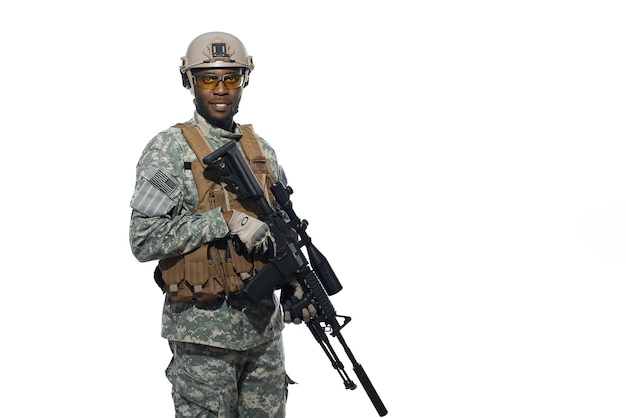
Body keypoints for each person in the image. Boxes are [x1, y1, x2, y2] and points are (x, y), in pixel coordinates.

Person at [129, 31, 314, 418]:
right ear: (189, 82)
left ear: (244, 80)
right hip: (202, 341)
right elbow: (143, 240)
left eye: (231, 78)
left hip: (264, 335)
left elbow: (281, 231)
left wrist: (296, 284)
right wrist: (225, 220)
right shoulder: (168, 150)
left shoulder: (263, 151)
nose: (220, 89)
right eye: (208, 78)